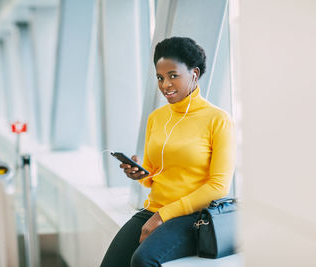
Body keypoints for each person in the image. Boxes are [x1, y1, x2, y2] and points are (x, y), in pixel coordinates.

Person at [100, 37, 236, 267]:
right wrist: (140, 174)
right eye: (160, 77)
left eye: (173, 75)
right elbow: (155, 174)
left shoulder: (218, 119)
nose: (165, 85)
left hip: (193, 217)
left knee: (143, 260)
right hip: (154, 209)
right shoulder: (157, 118)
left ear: (194, 73)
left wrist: (164, 215)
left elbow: (218, 186)